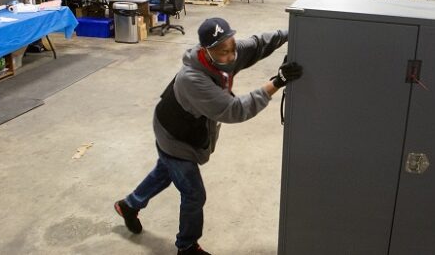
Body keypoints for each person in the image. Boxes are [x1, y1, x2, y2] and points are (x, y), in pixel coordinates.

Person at [115, 18, 302, 255]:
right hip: (175, 137)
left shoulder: (227, 51)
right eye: (223, 53)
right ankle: (187, 246)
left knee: (165, 172)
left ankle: (128, 205)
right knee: (193, 193)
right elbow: (234, 110)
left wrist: (294, 31)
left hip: (178, 127)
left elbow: (258, 44)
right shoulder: (192, 79)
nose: (231, 56)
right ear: (206, 51)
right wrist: (277, 82)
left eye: (232, 48)